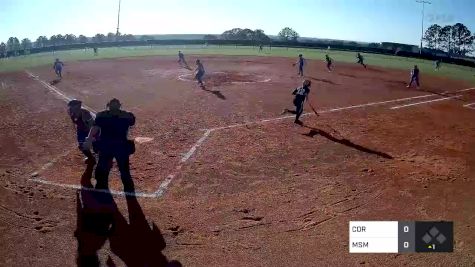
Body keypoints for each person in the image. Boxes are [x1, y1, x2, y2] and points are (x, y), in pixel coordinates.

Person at [84, 98, 136, 192]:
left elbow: (95, 127)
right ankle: (128, 190)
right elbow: (131, 123)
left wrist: (89, 139)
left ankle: (101, 188)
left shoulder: (102, 115)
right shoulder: (127, 115)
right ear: (120, 105)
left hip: (107, 146)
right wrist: (89, 138)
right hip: (119, 146)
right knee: (123, 170)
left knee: (103, 168)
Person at [67, 99, 96, 165]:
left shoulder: (85, 114)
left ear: (77, 107)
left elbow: (92, 126)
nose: (70, 108)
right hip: (81, 130)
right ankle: (91, 158)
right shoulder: (71, 112)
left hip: (89, 130)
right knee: (82, 146)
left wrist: (90, 137)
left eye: (72, 106)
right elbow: (74, 122)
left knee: (96, 145)